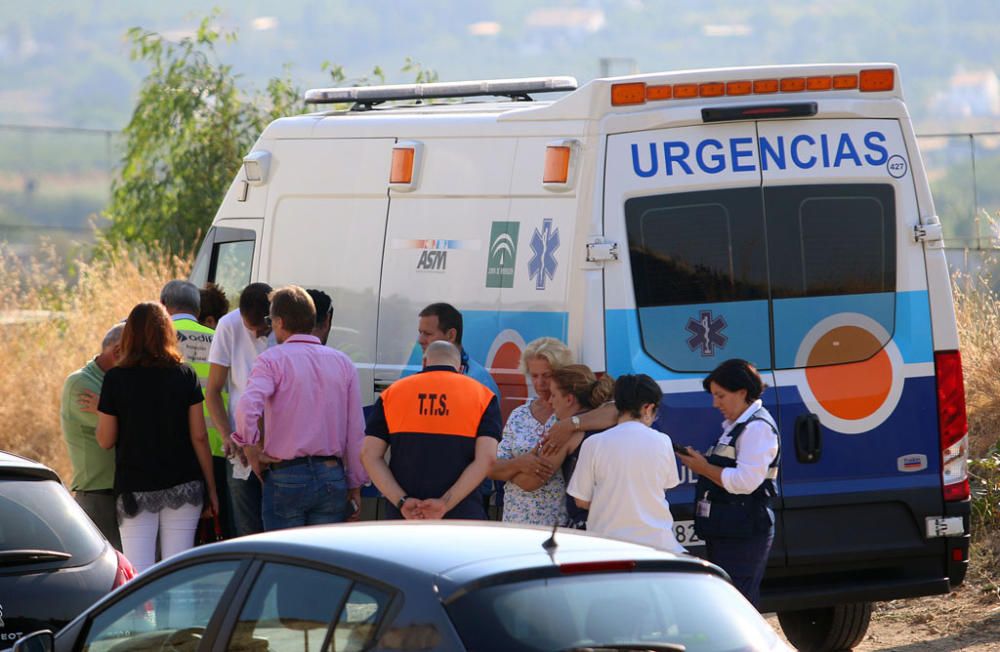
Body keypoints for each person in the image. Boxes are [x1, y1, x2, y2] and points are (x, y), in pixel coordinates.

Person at [96, 302, 218, 573]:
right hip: (184, 485)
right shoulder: (186, 375)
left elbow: (105, 440)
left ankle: (141, 618)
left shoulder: (116, 379)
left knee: (139, 575)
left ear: (130, 336)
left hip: (135, 487)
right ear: (167, 333)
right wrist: (211, 488)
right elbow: (199, 436)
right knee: (179, 572)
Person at [233, 285, 367, 531]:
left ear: (280, 322)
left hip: (286, 474)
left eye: (270, 320)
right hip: (331, 475)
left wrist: (251, 447)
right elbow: (356, 430)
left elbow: (246, 408)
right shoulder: (343, 363)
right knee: (321, 561)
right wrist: (354, 484)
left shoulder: (271, 360)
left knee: (284, 561)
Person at [677, 358, 780, 608]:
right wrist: (704, 463)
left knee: (738, 603)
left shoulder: (757, 428)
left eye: (720, 396)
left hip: (744, 530)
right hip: (730, 528)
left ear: (742, 392)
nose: (715, 404)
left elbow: (744, 482)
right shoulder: (737, 426)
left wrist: (702, 467)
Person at [361, 341, 501, 520]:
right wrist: (444, 503)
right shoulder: (483, 396)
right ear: (459, 368)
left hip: (405, 516)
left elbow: (368, 455)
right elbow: (487, 459)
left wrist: (402, 501)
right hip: (462, 515)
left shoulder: (393, 393)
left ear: (425, 362)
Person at [566, 374, 685, 553]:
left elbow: (581, 500)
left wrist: (611, 501)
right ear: (647, 408)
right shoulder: (663, 441)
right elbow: (664, 487)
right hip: (659, 546)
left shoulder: (594, 443)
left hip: (608, 548)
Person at [161, 279, 232, 538]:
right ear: (198, 309)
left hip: (175, 449)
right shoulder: (220, 339)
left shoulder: (159, 340)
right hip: (220, 446)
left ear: (164, 306)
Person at [415, 302, 500, 514]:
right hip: (426, 489)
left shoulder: (478, 381)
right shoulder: (420, 375)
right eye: (420, 333)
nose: (420, 340)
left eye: (427, 333)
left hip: (464, 494)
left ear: (451, 335)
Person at [206, 282, 273, 536]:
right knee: (246, 530)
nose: (257, 335)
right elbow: (213, 391)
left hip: (278, 446)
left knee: (278, 531)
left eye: (263, 329)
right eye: (250, 329)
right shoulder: (228, 325)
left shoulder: (284, 324)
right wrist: (226, 436)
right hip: (240, 445)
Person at [488, 337, 574, 526]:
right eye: (534, 376)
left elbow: (532, 480)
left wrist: (508, 469)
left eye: (547, 375)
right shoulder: (519, 414)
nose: (540, 383)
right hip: (514, 522)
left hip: (553, 526)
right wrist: (521, 463)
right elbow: (491, 467)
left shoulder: (567, 416)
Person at [60, 323, 125, 550]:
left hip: (121, 493)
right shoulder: (80, 383)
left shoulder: (117, 381)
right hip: (98, 496)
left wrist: (106, 409)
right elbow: (124, 430)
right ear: (117, 352)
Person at [543, 364, 615, 529]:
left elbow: (532, 480)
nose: (549, 401)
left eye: (553, 395)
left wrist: (497, 467)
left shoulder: (567, 433)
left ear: (569, 399)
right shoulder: (613, 421)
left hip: (587, 522)